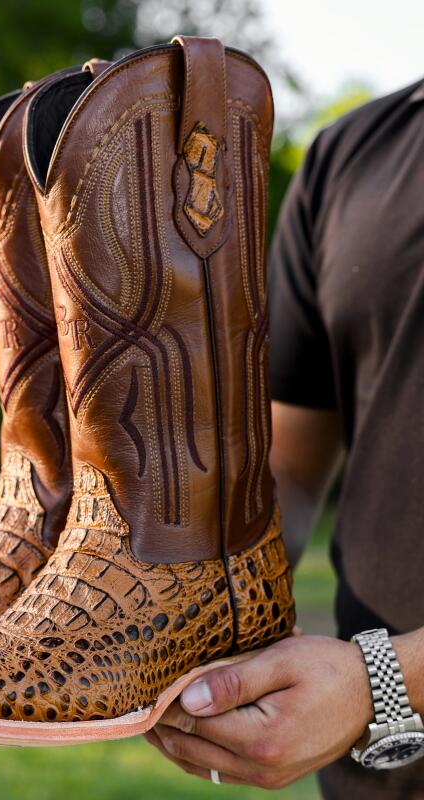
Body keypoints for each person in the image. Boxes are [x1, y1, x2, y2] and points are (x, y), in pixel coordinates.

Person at [147, 78, 424, 797]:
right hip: (380, 773)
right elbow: (288, 469)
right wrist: (169, 586)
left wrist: (381, 683)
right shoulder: (350, 155)